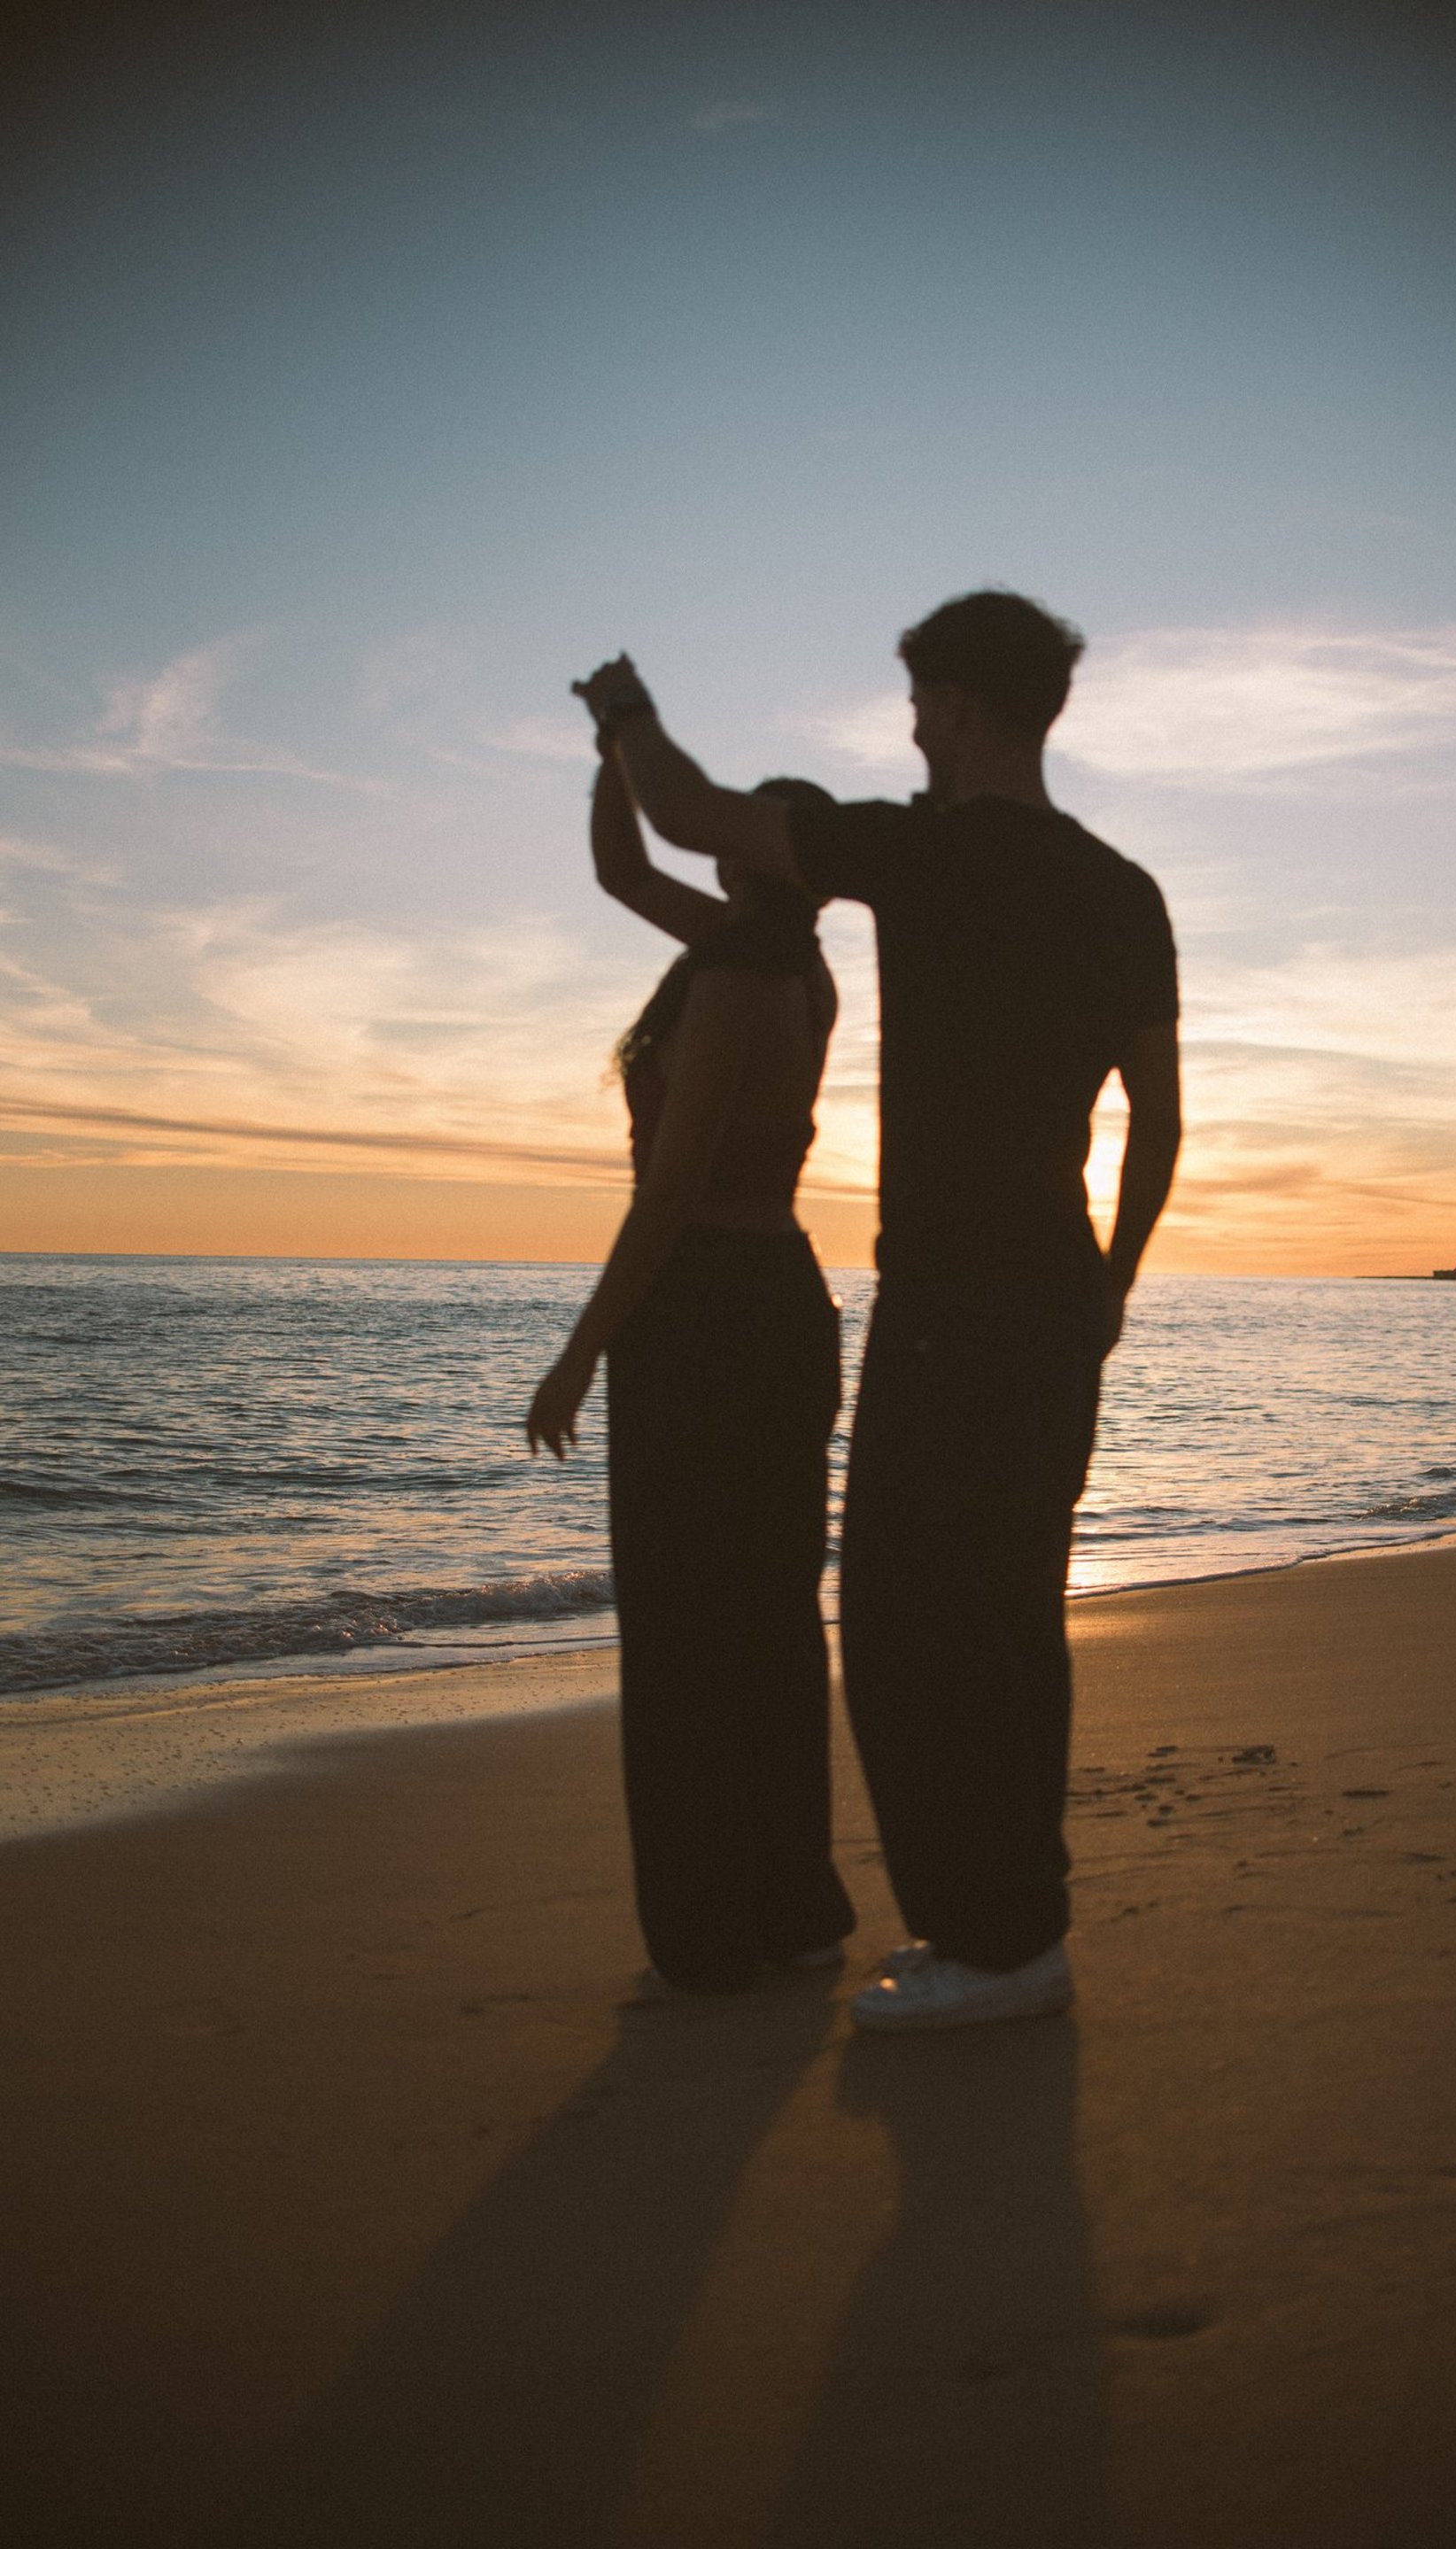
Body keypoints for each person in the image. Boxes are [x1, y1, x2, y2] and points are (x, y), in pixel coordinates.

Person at [577, 590, 1181, 2032]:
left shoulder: (915, 854)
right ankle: (1009, 1927)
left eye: (921, 704)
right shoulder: (1123, 890)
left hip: (950, 1302)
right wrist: (1109, 1289)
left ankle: (991, 1942)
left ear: (962, 707)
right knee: (1010, 1619)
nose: (911, 730)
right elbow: (1157, 1125)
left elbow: (692, 813)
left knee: (910, 1630)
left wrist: (620, 711)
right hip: (1053, 1293)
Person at [525, 748, 854, 1994]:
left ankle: (715, 1934)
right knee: (766, 1622)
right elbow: (619, 865)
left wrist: (578, 1351)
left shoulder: (733, 981)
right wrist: (613, 754)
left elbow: (672, 1197)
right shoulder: (786, 963)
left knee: (685, 1635)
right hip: (778, 1306)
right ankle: (790, 1907)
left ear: (758, 857)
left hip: (710, 1312)